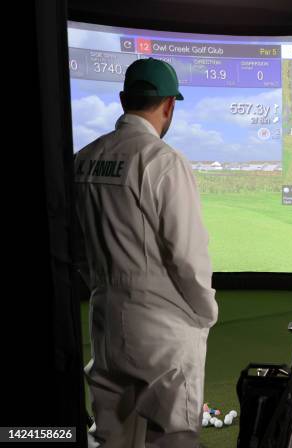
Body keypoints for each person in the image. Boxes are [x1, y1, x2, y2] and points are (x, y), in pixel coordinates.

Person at [74, 58, 218, 447]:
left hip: (106, 322)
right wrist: (206, 312)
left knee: (113, 437)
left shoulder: (83, 159)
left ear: (124, 99)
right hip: (164, 332)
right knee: (173, 438)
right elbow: (188, 256)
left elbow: (80, 249)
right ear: (170, 105)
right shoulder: (164, 162)